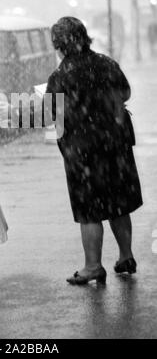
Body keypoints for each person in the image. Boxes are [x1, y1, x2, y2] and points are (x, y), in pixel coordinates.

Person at [30, 17, 143, 285]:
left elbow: (50, 113)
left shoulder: (61, 77)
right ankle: (126, 255)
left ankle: (93, 266)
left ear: (59, 46)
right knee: (117, 204)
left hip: (83, 154)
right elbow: (125, 93)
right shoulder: (106, 63)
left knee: (90, 211)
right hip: (115, 147)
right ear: (84, 37)